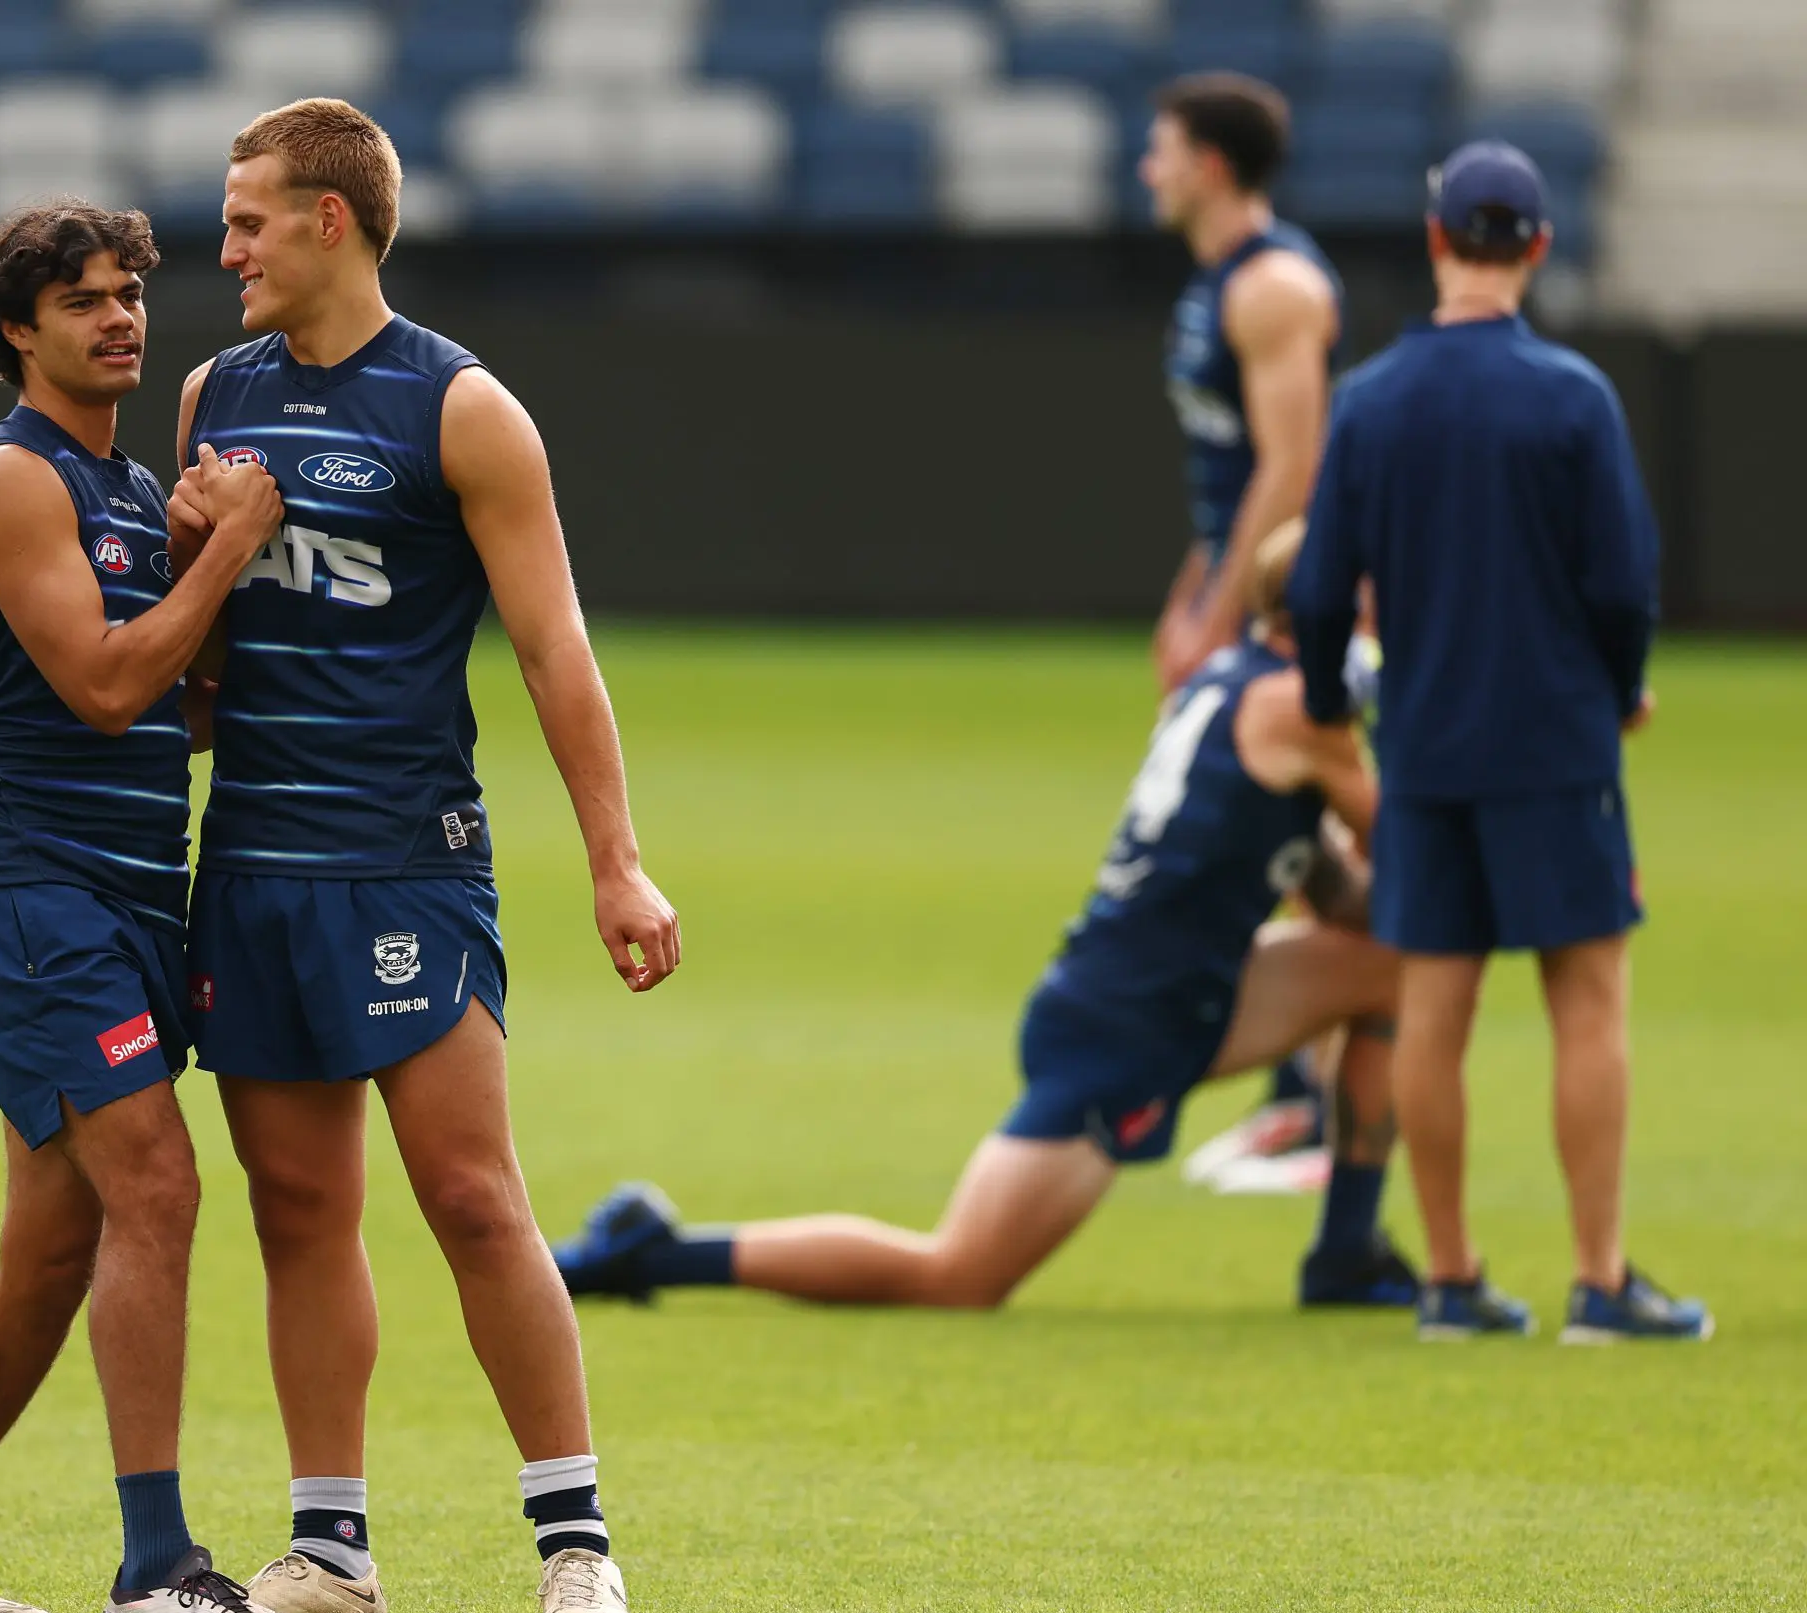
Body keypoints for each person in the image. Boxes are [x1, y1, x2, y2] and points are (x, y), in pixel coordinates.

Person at [170, 99, 678, 1613]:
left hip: (408, 863)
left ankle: (577, 1542)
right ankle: (331, 1551)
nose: (227, 245)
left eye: (251, 217)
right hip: (252, 857)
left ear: (333, 221)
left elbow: (553, 646)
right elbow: (196, 659)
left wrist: (617, 862)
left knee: (469, 1191)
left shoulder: (462, 408)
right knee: (297, 1204)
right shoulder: (211, 395)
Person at [0, 200, 317, 1613]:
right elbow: (109, 690)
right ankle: (158, 1566)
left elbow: (185, 699)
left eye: (128, 294)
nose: (121, 318)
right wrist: (228, 550)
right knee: (160, 1192)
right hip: (29, 899)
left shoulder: (123, 491)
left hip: (121, 895)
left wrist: (204, 562)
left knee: (53, 1253)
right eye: (83, 303)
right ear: (16, 332)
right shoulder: (9, 482)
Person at [556, 526, 1414, 1314]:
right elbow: (1412, 857)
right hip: (1133, 1019)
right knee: (959, 1275)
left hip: (1178, 986)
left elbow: (1343, 892)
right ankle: (655, 1253)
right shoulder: (1305, 709)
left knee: (1396, 963)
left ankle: (1346, 1251)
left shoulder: (1236, 679)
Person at [1289, 142, 1711, 1344]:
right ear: (1534, 246)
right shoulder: (1572, 394)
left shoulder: (1369, 399)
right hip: (1555, 746)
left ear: (1433, 242)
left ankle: (1451, 1277)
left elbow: (1319, 587)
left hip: (1425, 746)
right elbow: (1622, 582)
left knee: (1434, 1010)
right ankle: (1597, 1276)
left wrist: (1328, 698)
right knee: (1587, 1002)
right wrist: (1621, 687)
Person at [1141, 73, 1350, 1179]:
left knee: (1303, 833)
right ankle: (1302, 1096)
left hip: (1300, 606)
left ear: (1212, 165)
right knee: (1293, 843)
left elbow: (1296, 466)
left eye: (1162, 150)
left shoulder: (1271, 287)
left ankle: (1316, 1106)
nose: (1148, 168)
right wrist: (1188, 594)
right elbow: (1226, 482)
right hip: (1245, 592)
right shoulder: (1213, 284)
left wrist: (1220, 614)